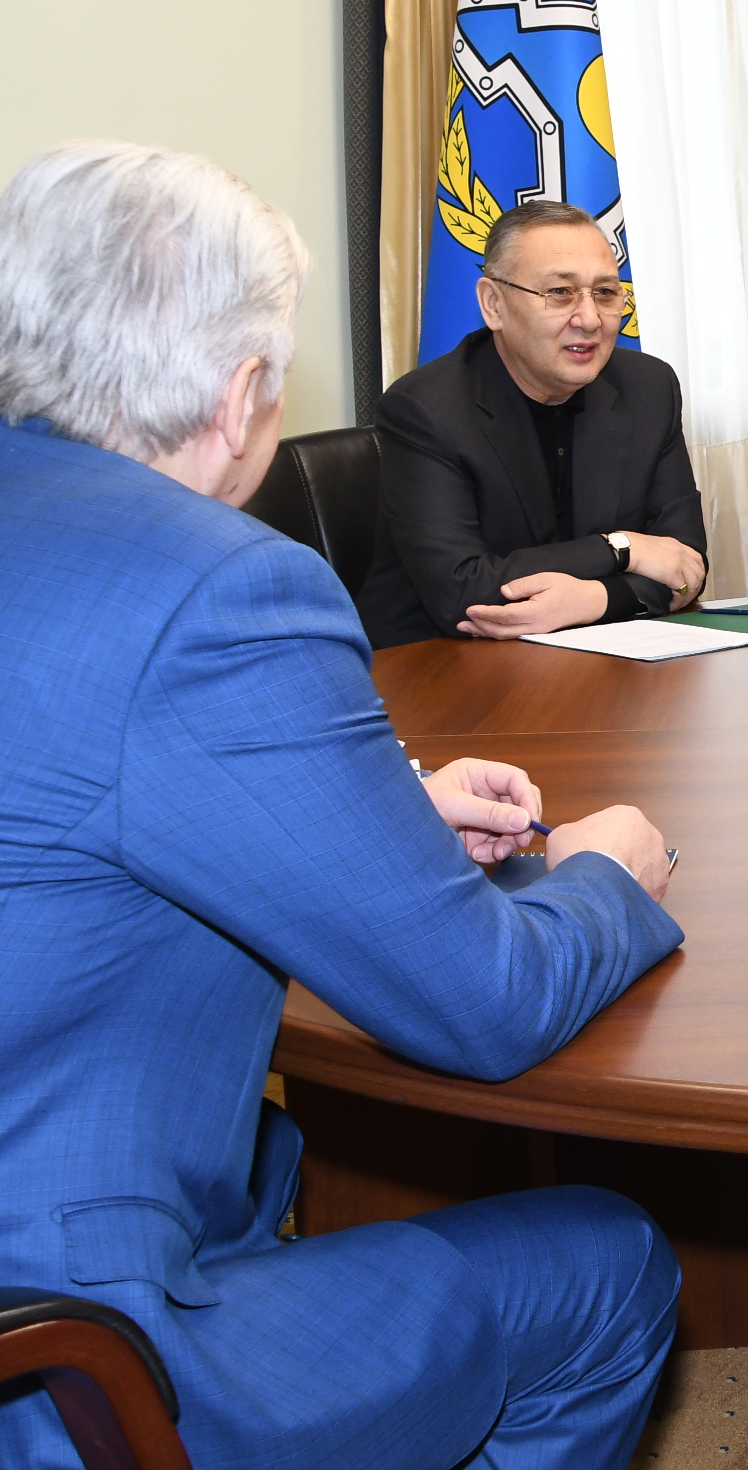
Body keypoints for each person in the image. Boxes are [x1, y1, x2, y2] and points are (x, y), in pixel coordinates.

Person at [0, 142, 690, 1470]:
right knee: (602, 1264)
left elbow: (66, 776)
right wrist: (606, 868)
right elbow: (482, 1007)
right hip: (67, 1354)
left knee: (280, 1155)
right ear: (243, 397)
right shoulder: (220, 589)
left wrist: (382, 805)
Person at [358, 198, 708, 649]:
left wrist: (592, 600)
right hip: (440, 665)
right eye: (560, 292)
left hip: (596, 660)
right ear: (493, 305)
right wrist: (622, 548)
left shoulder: (648, 388)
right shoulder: (426, 409)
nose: (589, 319)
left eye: (605, 292)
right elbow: (462, 592)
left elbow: (685, 566)